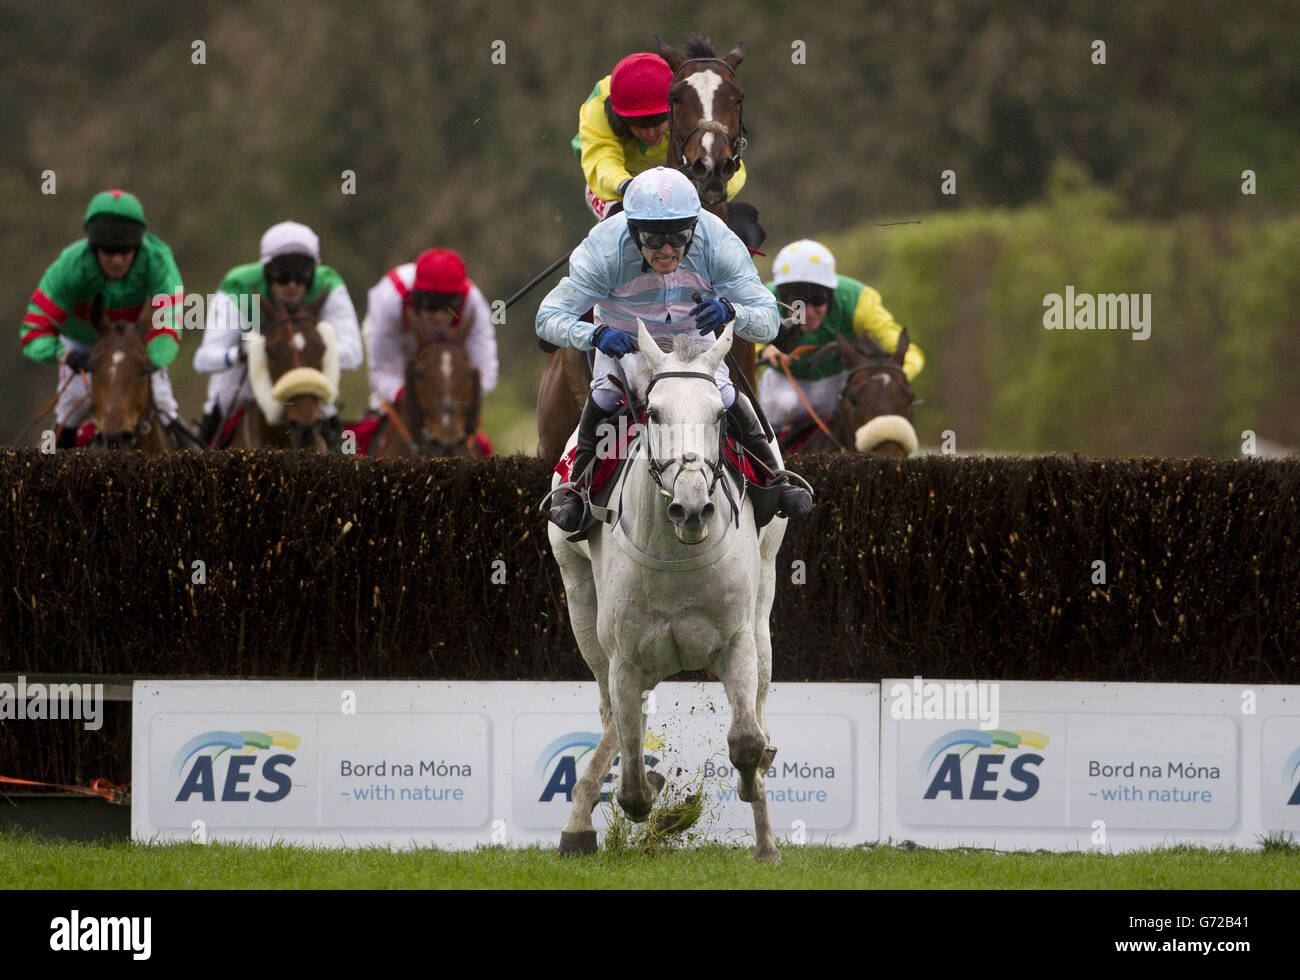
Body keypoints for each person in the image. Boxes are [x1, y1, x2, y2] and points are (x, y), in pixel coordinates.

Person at [536, 167, 811, 532]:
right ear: (632, 230)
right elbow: (547, 318)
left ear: (694, 227)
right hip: (627, 340)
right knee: (604, 395)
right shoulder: (602, 249)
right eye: (653, 238)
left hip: (694, 340)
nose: (667, 250)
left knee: (726, 395)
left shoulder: (718, 242)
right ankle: (575, 490)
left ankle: (776, 478)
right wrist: (595, 335)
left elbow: (767, 321)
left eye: (679, 237)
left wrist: (732, 311)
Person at [21, 189, 187, 447]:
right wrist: (64, 355)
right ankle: (43, 480)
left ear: (138, 246)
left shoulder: (158, 261)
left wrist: (152, 359)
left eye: (126, 251)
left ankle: (197, 468)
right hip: (83, 346)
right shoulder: (69, 267)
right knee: (72, 406)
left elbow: (168, 322)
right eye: (109, 252)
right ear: (94, 247)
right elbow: (35, 330)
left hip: (135, 347)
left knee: (164, 403)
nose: (118, 260)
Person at [194, 221, 362, 448]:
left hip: (308, 377)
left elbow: (353, 355)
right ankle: (203, 452)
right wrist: (242, 353)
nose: (292, 284)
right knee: (223, 394)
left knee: (325, 401)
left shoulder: (329, 285)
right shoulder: (239, 286)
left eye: (301, 274)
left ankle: (339, 453)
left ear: (312, 274)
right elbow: (204, 359)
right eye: (282, 274)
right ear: (267, 272)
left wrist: (307, 349)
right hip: (249, 378)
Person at [758, 240, 925, 432]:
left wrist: (895, 377)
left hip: (837, 381)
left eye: (818, 301)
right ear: (781, 296)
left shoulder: (859, 301)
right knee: (783, 405)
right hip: (784, 383)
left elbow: (910, 353)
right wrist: (763, 351)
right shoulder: (763, 299)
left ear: (831, 294)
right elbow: (739, 342)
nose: (809, 313)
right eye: (798, 303)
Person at [573, 51, 746, 222]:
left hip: (678, 183)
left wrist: (712, 186)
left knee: (741, 221)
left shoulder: (688, 98)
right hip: (615, 190)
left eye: (657, 121)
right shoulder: (598, 106)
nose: (649, 133)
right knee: (624, 225)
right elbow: (602, 163)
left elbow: (733, 170)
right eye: (639, 124)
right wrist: (631, 187)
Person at [362, 247, 498, 413]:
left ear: (459, 301)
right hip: (399, 338)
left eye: (448, 305)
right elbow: (381, 372)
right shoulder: (390, 304)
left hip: (446, 351)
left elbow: (486, 372)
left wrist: (455, 394)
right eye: (431, 303)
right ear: (416, 298)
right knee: (385, 404)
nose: (439, 316)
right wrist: (405, 395)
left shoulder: (474, 306)